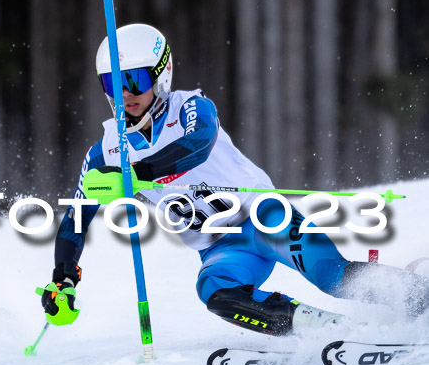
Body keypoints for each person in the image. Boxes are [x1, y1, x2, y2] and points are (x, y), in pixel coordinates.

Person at [41, 23, 429, 335]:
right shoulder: (104, 154)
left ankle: (419, 297)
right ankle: (323, 329)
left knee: (330, 275)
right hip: (221, 249)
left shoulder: (191, 108)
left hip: (265, 218)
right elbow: (77, 218)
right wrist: (63, 277)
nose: (126, 95)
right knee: (213, 291)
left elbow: (198, 144)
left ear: (161, 75)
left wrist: (136, 175)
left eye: (136, 80)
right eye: (113, 84)